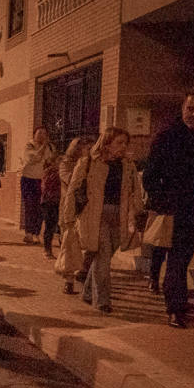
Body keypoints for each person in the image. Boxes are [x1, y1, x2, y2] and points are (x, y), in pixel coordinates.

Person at [62, 127, 145, 314]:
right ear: (107, 143)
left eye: (125, 143)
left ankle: (88, 293)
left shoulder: (128, 166)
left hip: (119, 216)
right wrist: (67, 219)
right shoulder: (88, 163)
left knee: (104, 256)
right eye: (119, 143)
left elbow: (135, 191)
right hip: (95, 217)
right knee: (104, 257)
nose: (123, 147)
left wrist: (139, 213)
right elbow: (72, 191)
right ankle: (102, 301)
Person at [143, 87, 194, 328]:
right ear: (182, 109)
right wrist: (163, 203)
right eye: (191, 108)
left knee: (184, 259)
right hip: (176, 211)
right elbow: (149, 176)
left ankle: (180, 304)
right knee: (176, 261)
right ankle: (175, 310)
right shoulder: (168, 137)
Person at [55, 136, 93, 294]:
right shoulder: (66, 164)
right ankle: (68, 280)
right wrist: (83, 167)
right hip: (70, 209)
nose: (88, 151)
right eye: (85, 148)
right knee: (70, 244)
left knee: (88, 243)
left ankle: (83, 272)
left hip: (88, 210)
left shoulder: (95, 165)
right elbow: (71, 180)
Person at [20, 127, 55, 244]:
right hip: (29, 180)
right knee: (30, 206)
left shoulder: (51, 148)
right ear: (34, 134)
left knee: (40, 208)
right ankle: (28, 233)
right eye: (39, 133)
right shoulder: (29, 146)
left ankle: (36, 233)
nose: (42, 135)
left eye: (44, 133)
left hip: (43, 181)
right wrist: (43, 147)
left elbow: (52, 161)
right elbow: (33, 159)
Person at [39, 154, 62, 261]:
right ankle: (47, 250)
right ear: (53, 162)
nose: (62, 163)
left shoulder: (61, 172)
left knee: (62, 228)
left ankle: (64, 254)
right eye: (59, 160)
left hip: (60, 202)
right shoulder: (49, 173)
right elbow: (47, 187)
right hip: (49, 203)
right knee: (50, 227)